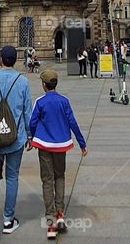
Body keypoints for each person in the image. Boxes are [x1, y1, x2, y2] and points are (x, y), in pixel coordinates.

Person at [28, 70, 87, 241]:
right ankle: (60, 214)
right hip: (61, 146)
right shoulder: (64, 101)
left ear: (44, 85)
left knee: (47, 180)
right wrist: (82, 144)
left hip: (44, 146)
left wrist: (31, 138)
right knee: (59, 177)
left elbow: (32, 122)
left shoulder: (40, 102)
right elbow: (73, 123)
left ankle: (51, 221)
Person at [0, 46, 32, 240]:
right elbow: (27, 110)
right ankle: (9, 220)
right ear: (16, 59)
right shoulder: (23, 82)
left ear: (1, 59)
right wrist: (29, 135)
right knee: (12, 177)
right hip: (15, 138)